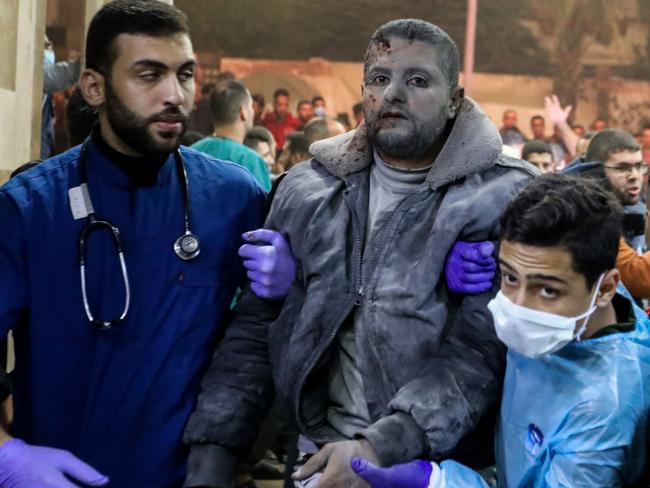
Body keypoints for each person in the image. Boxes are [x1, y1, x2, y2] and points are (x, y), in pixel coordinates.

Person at [183, 18, 535, 488]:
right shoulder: (307, 189)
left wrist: (376, 451)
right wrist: (212, 460)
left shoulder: (505, 197)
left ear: (455, 99)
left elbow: (479, 356)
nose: (392, 94)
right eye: (379, 78)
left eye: (417, 80)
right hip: (315, 461)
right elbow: (252, 336)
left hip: (434, 471)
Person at [0, 2, 293, 486]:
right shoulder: (29, 209)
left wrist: (294, 282)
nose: (174, 95)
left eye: (185, 75)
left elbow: (272, 339)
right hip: (63, 475)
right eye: (149, 75)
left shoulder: (234, 197)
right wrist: (8, 456)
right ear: (94, 87)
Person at [352, 174, 650, 487]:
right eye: (510, 278)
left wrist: (440, 481)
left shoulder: (605, 408)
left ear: (605, 289)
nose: (518, 307)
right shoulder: (581, 311)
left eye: (547, 290)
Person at [564, 128, 646, 251]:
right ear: (595, 172)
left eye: (639, 166)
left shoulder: (637, 212)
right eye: (622, 168)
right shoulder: (569, 218)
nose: (635, 176)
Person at [191, 79, 272, 191]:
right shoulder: (251, 161)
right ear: (243, 111)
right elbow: (264, 207)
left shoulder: (190, 152)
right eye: (251, 106)